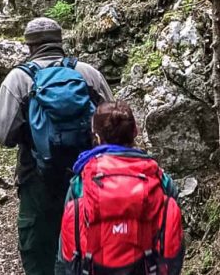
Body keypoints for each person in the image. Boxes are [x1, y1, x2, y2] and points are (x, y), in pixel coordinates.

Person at [0, 17, 114, 275]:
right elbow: (111, 124)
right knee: (88, 243)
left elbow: (3, 135)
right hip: (88, 178)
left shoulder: (18, 80)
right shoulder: (88, 74)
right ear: (60, 41)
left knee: (40, 249)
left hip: (37, 178)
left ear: (30, 46)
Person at [60, 101, 184, 275]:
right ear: (135, 132)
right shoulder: (157, 176)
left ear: (96, 138)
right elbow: (173, 238)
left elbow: (65, 251)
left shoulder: (81, 181)